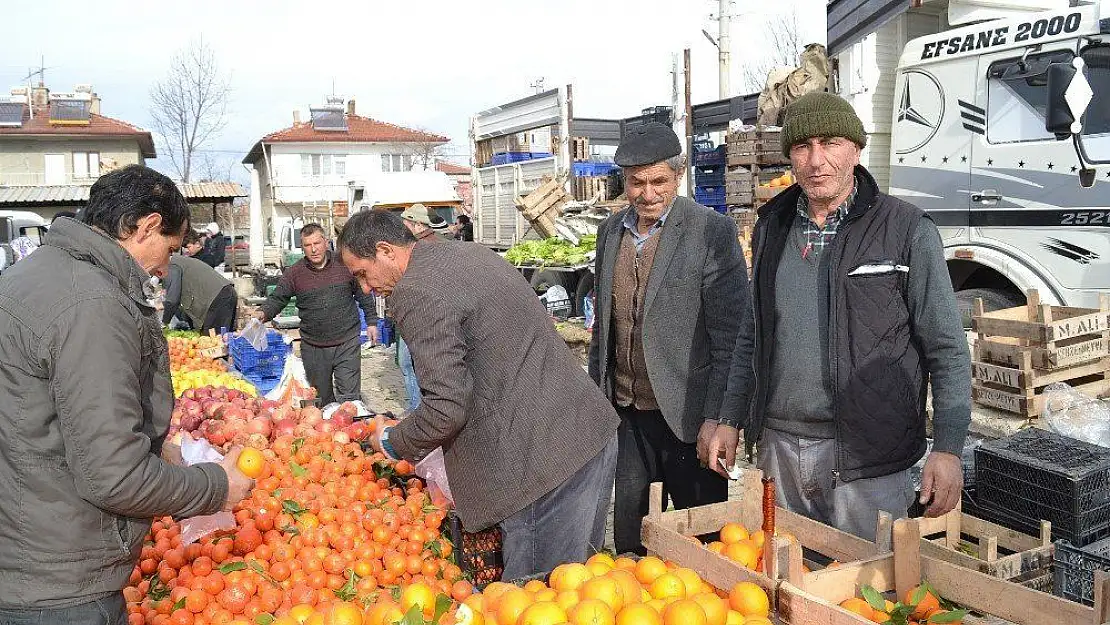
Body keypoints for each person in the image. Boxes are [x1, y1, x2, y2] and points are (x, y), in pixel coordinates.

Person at [0, 165, 253, 622]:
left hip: (24, 545)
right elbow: (113, 476)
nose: (166, 267)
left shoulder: (30, 275)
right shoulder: (93, 304)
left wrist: (155, 445)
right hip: (61, 579)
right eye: (169, 249)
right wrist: (217, 487)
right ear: (148, 226)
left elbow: (48, 416)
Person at [719, 92, 971, 540]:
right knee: (787, 584)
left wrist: (948, 447)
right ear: (790, 159)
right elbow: (751, 335)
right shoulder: (771, 227)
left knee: (866, 593)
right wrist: (730, 418)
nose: (817, 160)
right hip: (779, 446)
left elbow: (946, 347)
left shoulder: (906, 229)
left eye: (831, 143)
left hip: (867, 454)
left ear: (855, 149)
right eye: (802, 147)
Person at [339, 210, 619, 578]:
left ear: (386, 250)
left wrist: (391, 440)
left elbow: (446, 408)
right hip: (584, 432)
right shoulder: (466, 253)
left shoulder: (416, 292)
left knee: (536, 600)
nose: (365, 288)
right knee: (579, 587)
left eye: (362, 273)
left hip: (539, 469)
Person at [587, 122, 750, 556]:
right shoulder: (610, 233)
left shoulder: (709, 231)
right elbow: (604, 327)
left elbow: (730, 337)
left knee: (702, 541)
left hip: (689, 416)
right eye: (636, 182)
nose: (647, 193)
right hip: (627, 414)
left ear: (678, 176)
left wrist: (719, 418)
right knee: (632, 538)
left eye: (659, 181)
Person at [257, 223, 377, 406]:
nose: (313, 249)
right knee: (321, 400)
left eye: (317, 243)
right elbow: (278, 298)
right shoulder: (294, 273)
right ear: (302, 247)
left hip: (347, 341)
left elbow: (363, 293)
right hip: (314, 346)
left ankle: (352, 431)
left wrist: (372, 321)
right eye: (307, 245)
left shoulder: (344, 264)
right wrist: (263, 313)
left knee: (350, 400)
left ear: (326, 242)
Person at [395, 204, 450, 409]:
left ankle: (418, 412)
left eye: (405, 224)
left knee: (409, 363)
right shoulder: (443, 243)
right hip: (438, 314)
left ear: (418, 225)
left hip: (419, 314)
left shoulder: (418, 249)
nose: (402, 229)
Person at [162, 229, 239, 333]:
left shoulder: (172, 265)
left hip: (218, 299)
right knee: (220, 340)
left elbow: (172, 300)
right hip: (223, 294)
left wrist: (163, 323)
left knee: (213, 342)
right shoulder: (180, 262)